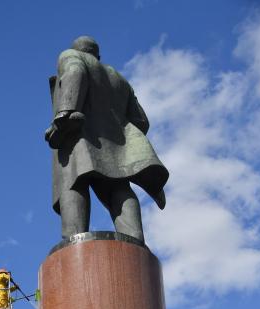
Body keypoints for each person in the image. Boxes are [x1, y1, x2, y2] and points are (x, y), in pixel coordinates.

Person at [46, 36, 169, 242]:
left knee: (74, 183)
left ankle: (73, 243)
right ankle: (134, 242)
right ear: (98, 55)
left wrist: (66, 113)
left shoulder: (70, 56)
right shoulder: (119, 79)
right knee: (118, 189)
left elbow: (75, 72)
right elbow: (141, 120)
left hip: (78, 135)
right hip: (116, 149)